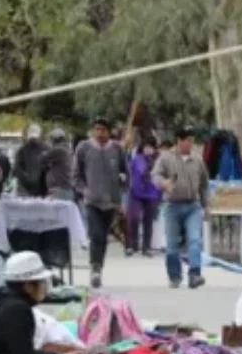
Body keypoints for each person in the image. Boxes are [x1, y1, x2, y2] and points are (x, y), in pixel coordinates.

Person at [152, 128, 208, 289]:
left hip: (192, 206)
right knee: (171, 246)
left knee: (195, 240)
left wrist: (205, 206)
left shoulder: (197, 160)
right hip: (172, 206)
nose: (190, 144)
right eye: (187, 140)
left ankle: (195, 274)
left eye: (192, 140)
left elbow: (204, 184)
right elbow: (155, 175)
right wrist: (164, 183)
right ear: (179, 141)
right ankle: (175, 276)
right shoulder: (166, 158)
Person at [74, 117, 125, 289]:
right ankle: (95, 268)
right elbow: (76, 175)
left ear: (108, 131)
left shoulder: (117, 149)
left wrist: (121, 192)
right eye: (96, 129)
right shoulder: (84, 148)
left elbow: (126, 173)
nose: (99, 133)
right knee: (95, 235)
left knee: (103, 237)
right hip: (92, 201)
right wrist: (84, 190)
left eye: (103, 129)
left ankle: (99, 267)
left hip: (111, 202)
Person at [126, 138, 162, 257]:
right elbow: (138, 170)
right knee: (134, 218)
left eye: (150, 147)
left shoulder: (159, 160)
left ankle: (146, 247)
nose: (148, 149)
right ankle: (133, 244)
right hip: (136, 193)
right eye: (146, 147)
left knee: (148, 220)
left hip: (152, 193)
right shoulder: (137, 159)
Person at [12, 124, 48, 197]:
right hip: (28, 189)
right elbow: (17, 168)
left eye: (35, 138)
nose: (33, 140)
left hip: (40, 188)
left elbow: (17, 168)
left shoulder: (46, 149)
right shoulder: (22, 150)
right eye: (32, 138)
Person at [42, 128, 74, 201]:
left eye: (51, 139)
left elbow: (42, 159)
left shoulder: (58, 150)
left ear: (55, 139)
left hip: (59, 190)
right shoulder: (67, 149)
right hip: (65, 189)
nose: (50, 141)